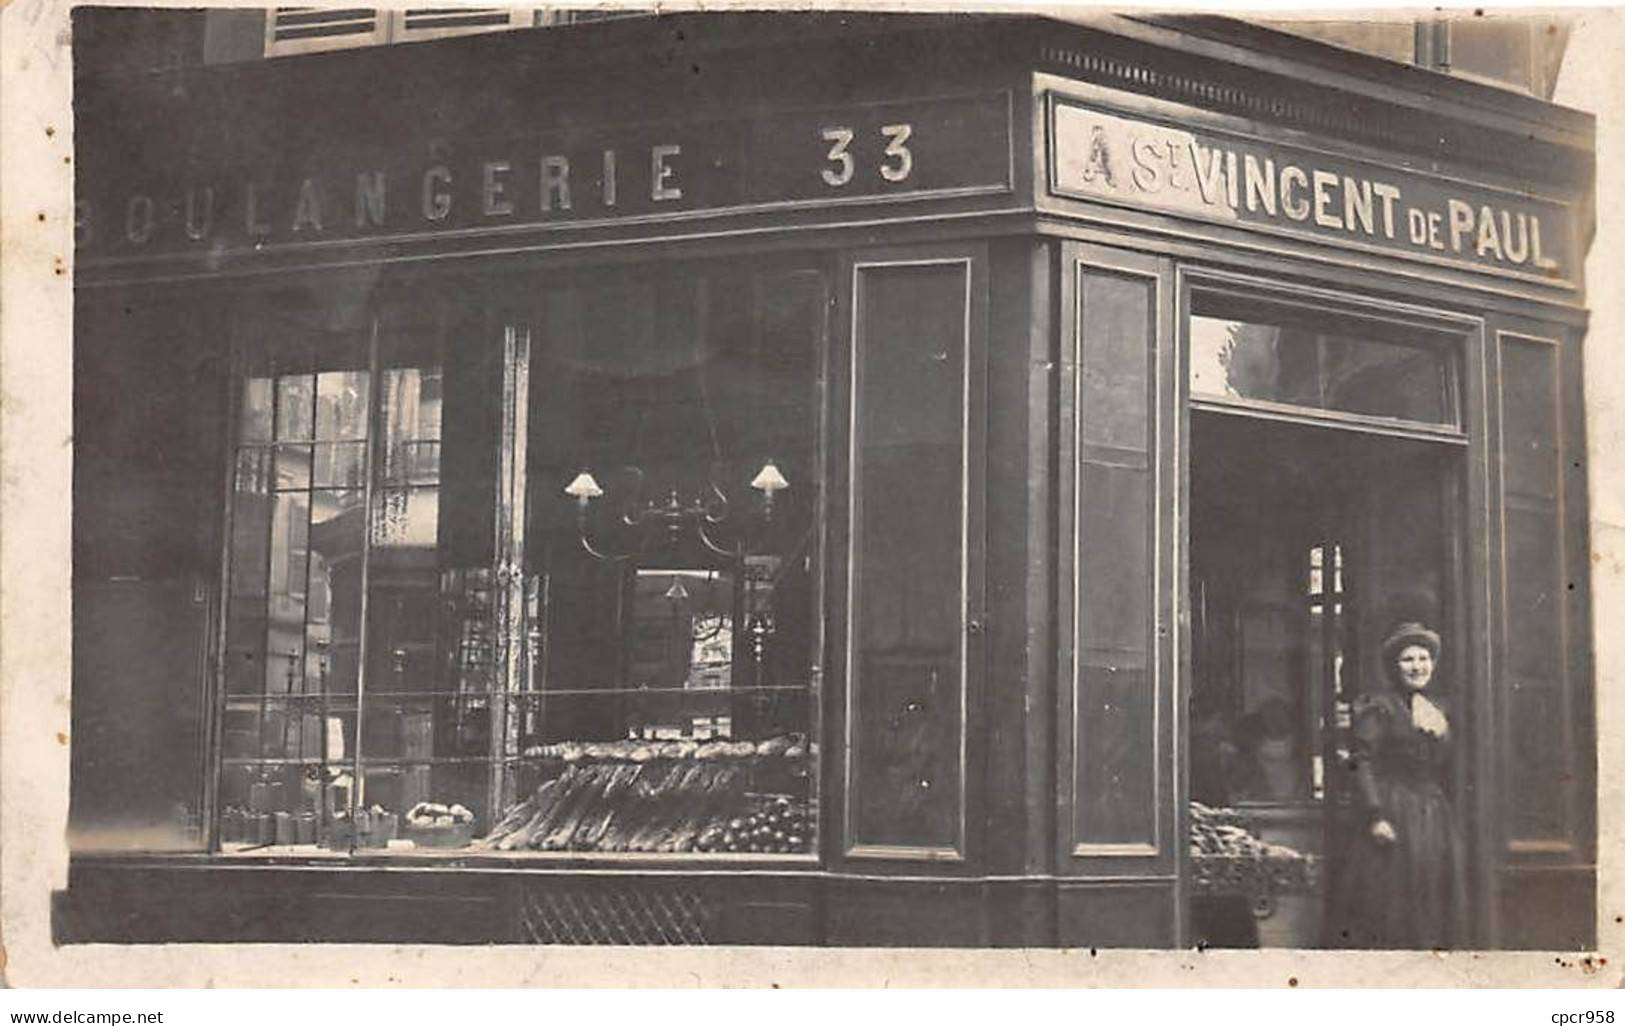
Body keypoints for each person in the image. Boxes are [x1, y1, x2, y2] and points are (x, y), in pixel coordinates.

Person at [1331, 621, 1469, 948]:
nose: (1417, 666)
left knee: (1431, 889)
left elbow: (1450, 762)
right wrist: (1376, 814)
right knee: (1390, 899)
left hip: (1432, 812)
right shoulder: (1379, 706)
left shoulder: (1439, 709)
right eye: (1408, 660)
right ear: (1395, 666)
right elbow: (1360, 761)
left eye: (1423, 659)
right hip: (1393, 807)